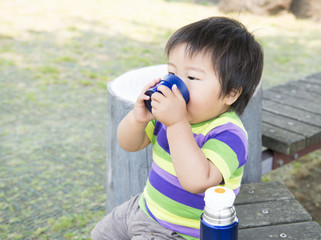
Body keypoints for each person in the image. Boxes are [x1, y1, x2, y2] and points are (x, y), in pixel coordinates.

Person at [92, 16, 263, 240]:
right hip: (144, 209)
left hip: (180, 233)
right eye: (172, 74)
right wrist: (138, 118)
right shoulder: (168, 115)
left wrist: (176, 123)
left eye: (192, 77)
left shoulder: (229, 134)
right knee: (101, 234)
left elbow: (197, 181)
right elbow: (129, 144)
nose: (175, 84)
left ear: (231, 93)